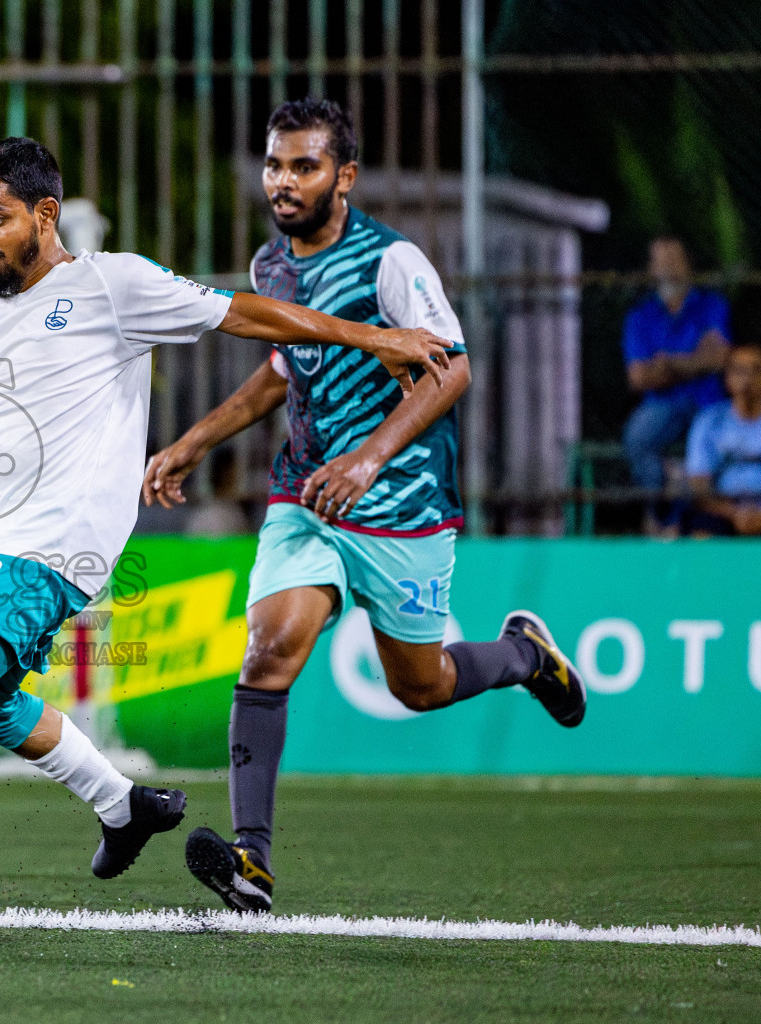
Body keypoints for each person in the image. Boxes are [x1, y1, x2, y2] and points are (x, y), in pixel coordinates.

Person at [0, 135, 456, 950]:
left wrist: (376, 338)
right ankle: (125, 805)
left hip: (53, 547)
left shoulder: (112, 284)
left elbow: (243, 314)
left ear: (46, 214)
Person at [142, 98, 587, 916]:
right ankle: (253, 860)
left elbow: (452, 370)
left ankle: (525, 656)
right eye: (276, 164)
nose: (283, 181)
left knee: (420, 685)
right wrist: (194, 440)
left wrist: (369, 456)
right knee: (269, 649)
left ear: (343, 176)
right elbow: (283, 369)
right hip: (306, 493)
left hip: (403, 505)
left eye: (303, 166)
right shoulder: (269, 265)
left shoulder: (393, 262)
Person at [622, 237, 731, 532]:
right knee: (637, 439)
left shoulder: (711, 306)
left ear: (688, 266)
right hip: (660, 406)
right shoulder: (640, 317)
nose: (668, 268)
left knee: (717, 449)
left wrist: (667, 364)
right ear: (651, 269)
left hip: (706, 401)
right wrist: (695, 361)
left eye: (674, 261)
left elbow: (719, 359)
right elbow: (639, 377)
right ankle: (666, 514)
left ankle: (697, 519)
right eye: (661, 262)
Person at [685, 341, 761, 536]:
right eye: (740, 370)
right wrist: (734, 513)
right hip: (723, 509)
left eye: (756, 370)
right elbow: (699, 486)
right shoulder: (709, 421)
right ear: (727, 377)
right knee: (701, 535)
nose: (748, 378)